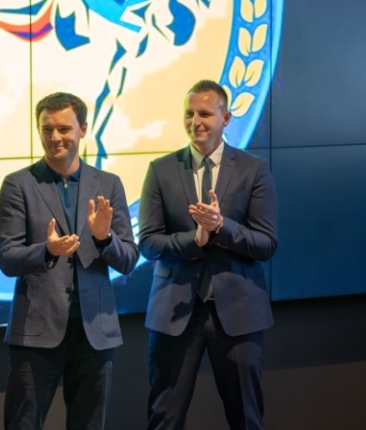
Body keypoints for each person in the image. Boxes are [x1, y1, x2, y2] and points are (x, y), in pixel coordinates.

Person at [139, 79, 278, 430]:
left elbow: (266, 244)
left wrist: (221, 227)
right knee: (164, 418)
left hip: (238, 313)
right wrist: (195, 240)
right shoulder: (161, 169)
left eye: (204, 114)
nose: (195, 122)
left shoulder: (253, 169)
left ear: (226, 118)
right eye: (189, 114)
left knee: (246, 418)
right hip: (174, 313)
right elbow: (149, 243)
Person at [0, 92, 139, 430]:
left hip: (95, 331)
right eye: (46, 129)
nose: (54, 137)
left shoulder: (108, 184)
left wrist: (104, 239)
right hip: (36, 331)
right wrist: (47, 251)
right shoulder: (18, 184)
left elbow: (129, 259)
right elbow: (7, 259)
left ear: (83, 129)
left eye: (63, 129)